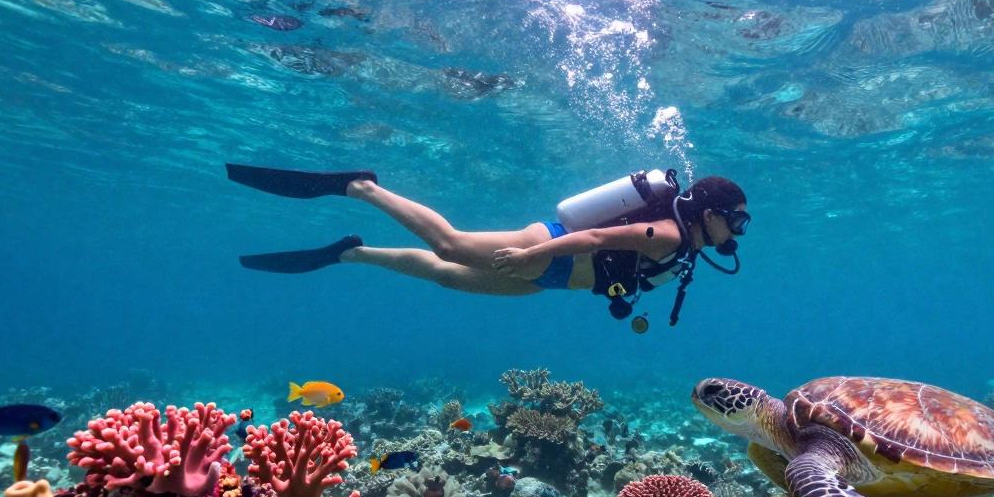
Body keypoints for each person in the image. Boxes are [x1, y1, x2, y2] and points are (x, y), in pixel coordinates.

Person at [227, 164, 749, 323]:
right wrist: (531, 254)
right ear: (710, 216)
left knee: (446, 273)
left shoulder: (686, 247)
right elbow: (592, 236)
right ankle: (360, 187)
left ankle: (350, 252)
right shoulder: (669, 234)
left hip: (547, 278)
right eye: (737, 221)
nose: (738, 232)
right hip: (545, 251)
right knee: (450, 245)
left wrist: (535, 268)